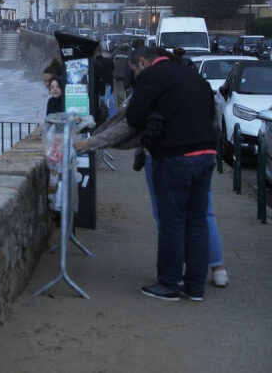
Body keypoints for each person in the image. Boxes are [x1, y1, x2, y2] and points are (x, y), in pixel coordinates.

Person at [74, 96, 228, 288]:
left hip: (164, 154)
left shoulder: (153, 83)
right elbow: (214, 114)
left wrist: (93, 139)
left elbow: (126, 121)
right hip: (201, 151)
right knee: (203, 214)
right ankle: (217, 269)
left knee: (167, 217)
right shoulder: (196, 82)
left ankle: (174, 271)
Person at [126, 46, 217, 302]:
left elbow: (133, 117)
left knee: (172, 222)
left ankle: (168, 283)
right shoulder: (192, 74)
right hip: (206, 154)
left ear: (143, 63)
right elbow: (211, 113)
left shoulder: (152, 76)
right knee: (197, 222)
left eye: (134, 71)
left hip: (174, 157)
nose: (135, 76)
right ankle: (195, 286)